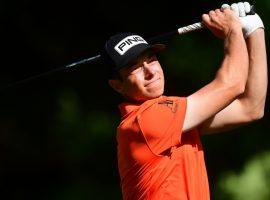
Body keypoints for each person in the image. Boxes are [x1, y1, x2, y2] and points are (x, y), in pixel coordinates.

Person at [103, 2, 267, 200]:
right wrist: (232, 30)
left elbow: (250, 107)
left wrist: (254, 30)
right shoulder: (144, 121)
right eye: (134, 67)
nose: (150, 71)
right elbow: (232, 84)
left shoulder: (176, 119)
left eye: (152, 59)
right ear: (117, 85)